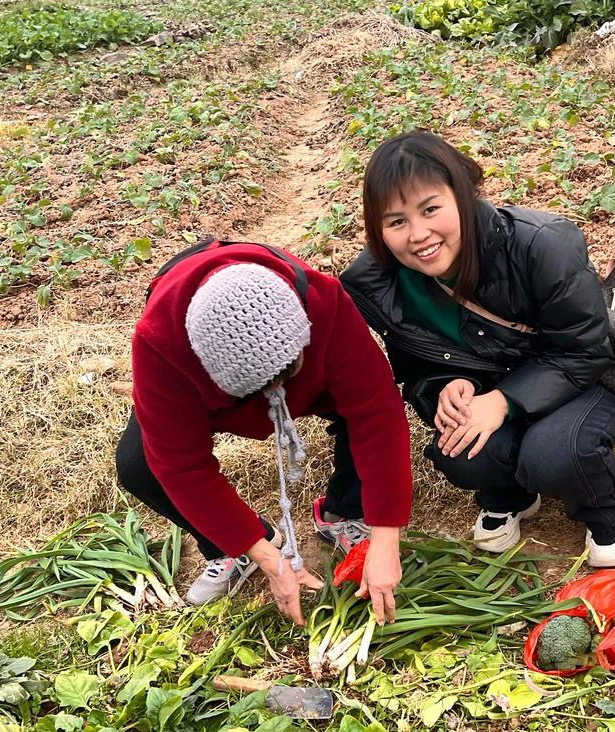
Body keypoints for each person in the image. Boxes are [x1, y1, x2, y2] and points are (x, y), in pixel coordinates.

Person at [340, 131, 615, 567]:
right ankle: (510, 495)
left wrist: (502, 401)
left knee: (554, 453)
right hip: (492, 381)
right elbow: (412, 362)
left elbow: (584, 350)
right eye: (396, 221)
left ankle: (602, 511)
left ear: (461, 195)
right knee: (458, 451)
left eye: (431, 209)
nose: (418, 235)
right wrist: (445, 384)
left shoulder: (541, 244)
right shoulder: (379, 281)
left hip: (579, 377)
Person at [117, 240, 409, 624]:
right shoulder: (161, 345)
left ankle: (347, 512)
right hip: (217, 393)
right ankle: (232, 546)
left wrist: (386, 539)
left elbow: (377, 414)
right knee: (138, 463)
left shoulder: (322, 302)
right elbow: (181, 467)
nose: (277, 396)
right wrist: (269, 559)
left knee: (359, 415)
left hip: (311, 378)